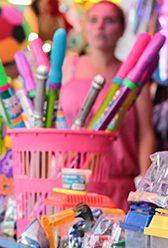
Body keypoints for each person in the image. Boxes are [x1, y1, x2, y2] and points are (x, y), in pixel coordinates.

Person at [59, 0, 156, 210]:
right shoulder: (68, 66)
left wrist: (146, 192)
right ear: (85, 27)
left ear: (122, 29)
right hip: (68, 187)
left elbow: (146, 134)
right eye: (94, 20)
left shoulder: (135, 78)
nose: (100, 26)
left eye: (109, 20)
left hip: (118, 192)